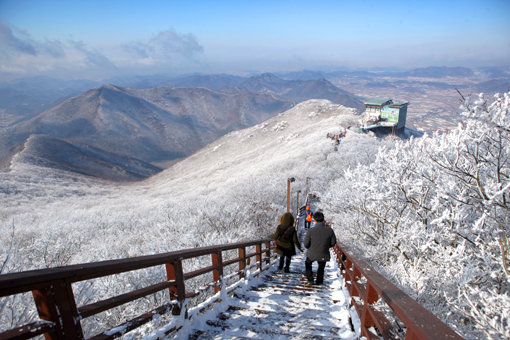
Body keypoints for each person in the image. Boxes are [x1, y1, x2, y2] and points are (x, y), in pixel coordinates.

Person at [303, 211, 337, 285]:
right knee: (321, 267)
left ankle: (310, 279)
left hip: (312, 253)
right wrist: (326, 246)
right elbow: (333, 243)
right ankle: (319, 281)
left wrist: (311, 247)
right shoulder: (329, 230)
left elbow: (306, 244)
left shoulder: (311, 230)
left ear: (314, 220)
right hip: (324, 252)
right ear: (323, 219)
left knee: (308, 263)